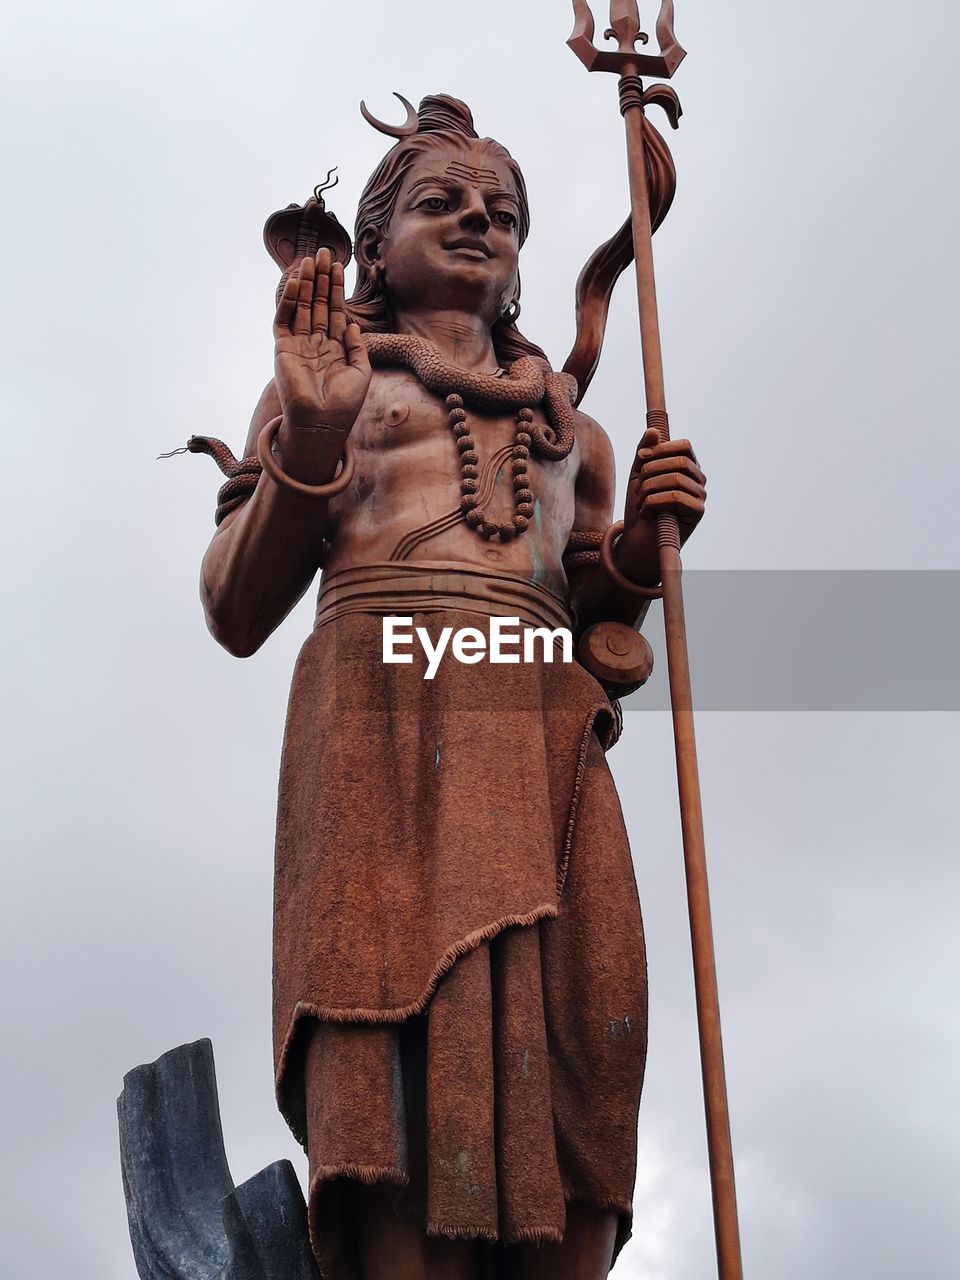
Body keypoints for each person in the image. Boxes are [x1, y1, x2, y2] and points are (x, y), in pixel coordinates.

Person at [198, 95, 705, 1280]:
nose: (480, 218)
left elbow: (592, 614)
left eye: (505, 212)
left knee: (591, 1019)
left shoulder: (569, 429)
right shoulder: (325, 383)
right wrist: (311, 442)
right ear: (373, 244)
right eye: (442, 201)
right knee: (390, 1035)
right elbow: (233, 608)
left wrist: (637, 551)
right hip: (382, 716)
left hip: (536, 723)